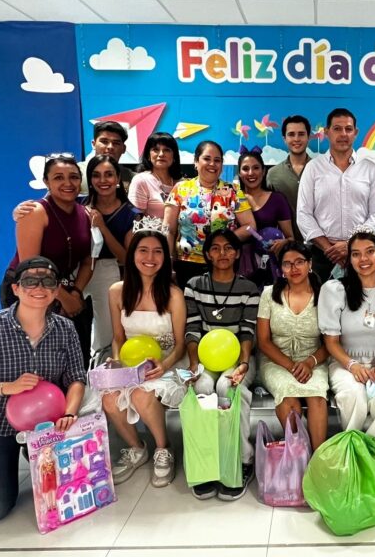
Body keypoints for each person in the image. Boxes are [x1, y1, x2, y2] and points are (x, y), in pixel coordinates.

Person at [0, 256, 86, 523]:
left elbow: (76, 379)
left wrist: (69, 414)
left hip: (45, 426)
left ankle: (24, 455)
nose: (39, 287)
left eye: (48, 281)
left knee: (67, 495)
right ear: (15, 289)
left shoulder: (65, 329)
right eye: (30, 281)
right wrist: (6, 388)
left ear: (56, 290)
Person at [103, 224, 187, 487]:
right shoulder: (117, 291)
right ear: (132, 255)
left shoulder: (173, 294)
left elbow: (181, 344)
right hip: (131, 364)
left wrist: (164, 364)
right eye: (143, 250)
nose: (150, 258)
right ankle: (136, 448)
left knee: (142, 393)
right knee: (108, 397)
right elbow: (118, 338)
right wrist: (117, 360)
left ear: (165, 257)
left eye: (157, 252)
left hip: (169, 362)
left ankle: (163, 448)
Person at [184, 229, 260, 501]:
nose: (222, 254)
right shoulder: (194, 285)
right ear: (207, 253)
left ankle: (242, 459)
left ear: (238, 253)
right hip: (205, 359)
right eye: (215, 248)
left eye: (229, 248)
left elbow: (248, 331)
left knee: (226, 387)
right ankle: (207, 462)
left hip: (239, 358)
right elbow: (192, 329)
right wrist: (194, 365)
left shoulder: (249, 289)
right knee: (204, 386)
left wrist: (243, 364)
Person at [2, 153, 93, 368]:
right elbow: (30, 266)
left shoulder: (85, 213)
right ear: (46, 182)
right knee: (33, 362)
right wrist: (64, 298)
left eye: (73, 177)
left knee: (71, 360)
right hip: (28, 289)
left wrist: (76, 294)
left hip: (64, 290)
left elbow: (89, 260)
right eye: (58, 177)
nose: (67, 183)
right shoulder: (34, 211)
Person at [318, 228, 375, 451]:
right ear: (349, 258)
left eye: (370, 252)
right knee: (352, 396)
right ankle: (353, 451)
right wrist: (352, 365)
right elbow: (331, 343)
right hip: (345, 361)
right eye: (356, 254)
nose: (363, 259)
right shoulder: (335, 290)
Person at [298, 108, 375, 282]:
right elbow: (303, 214)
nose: (343, 134)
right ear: (327, 132)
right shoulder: (313, 168)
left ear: (356, 133)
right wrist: (329, 249)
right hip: (323, 254)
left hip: (361, 254)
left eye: (348, 129)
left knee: (360, 305)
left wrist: (350, 246)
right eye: (337, 129)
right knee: (323, 306)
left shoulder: (369, 168)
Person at [257, 242, 329, 449]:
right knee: (288, 396)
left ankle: (318, 459)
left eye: (299, 262)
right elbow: (263, 341)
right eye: (287, 264)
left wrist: (309, 362)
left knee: (316, 396)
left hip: (314, 359)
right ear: (281, 269)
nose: (294, 268)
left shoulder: (324, 296)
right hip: (276, 361)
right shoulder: (269, 294)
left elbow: (331, 342)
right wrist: (291, 366)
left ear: (310, 264)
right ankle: (298, 455)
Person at [164, 140, 256, 288]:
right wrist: (167, 262)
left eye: (217, 160)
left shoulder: (233, 191)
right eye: (207, 159)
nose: (212, 164)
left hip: (223, 263)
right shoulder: (180, 189)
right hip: (186, 264)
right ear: (195, 162)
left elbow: (250, 226)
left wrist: (223, 241)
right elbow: (169, 230)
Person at [83, 155, 139, 364]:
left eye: (108, 174)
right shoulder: (80, 205)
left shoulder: (131, 213)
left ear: (117, 178)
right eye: (96, 175)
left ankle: (103, 371)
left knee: (106, 330)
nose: (103, 180)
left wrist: (102, 227)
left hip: (110, 271)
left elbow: (126, 257)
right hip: (78, 269)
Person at [236, 149, 294, 287]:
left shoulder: (277, 199)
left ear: (263, 171)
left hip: (269, 270)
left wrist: (282, 243)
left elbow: (290, 238)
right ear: (239, 173)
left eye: (256, 168)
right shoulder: (231, 198)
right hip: (237, 267)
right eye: (245, 169)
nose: (251, 173)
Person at [267, 115, 312, 241]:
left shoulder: (321, 170)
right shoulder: (273, 174)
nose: (296, 139)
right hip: (286, 246)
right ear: (284, 139)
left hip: (318, 246)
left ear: (308, 137)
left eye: (301, 134)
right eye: (291, 134)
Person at [128, 132, 182, 219]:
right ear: (148, 156)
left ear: (174, 156)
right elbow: (134, 218)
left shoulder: (182, 183)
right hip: (151, 232)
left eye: (167, 150)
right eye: (155, 150)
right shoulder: (141, 180)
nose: (161, 154)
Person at [79, 121, 134, 193]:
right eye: (104, 141)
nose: (110, 147)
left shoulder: (132, 177)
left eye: (116, 143)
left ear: (123, 149)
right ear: (93, 144)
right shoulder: (76, 172)